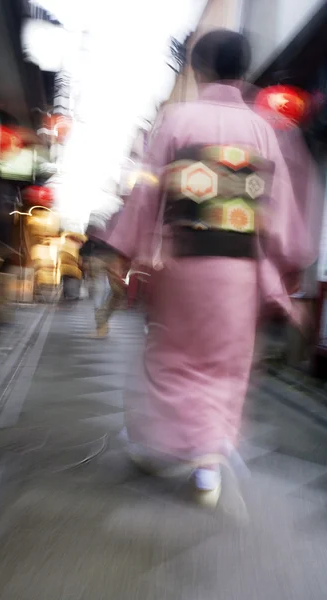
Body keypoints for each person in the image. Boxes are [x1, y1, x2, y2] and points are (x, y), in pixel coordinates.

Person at [105, 29, 318, 507]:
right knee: (225, 363)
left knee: (171, 356)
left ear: (200, 69)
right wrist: (286, 263)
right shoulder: (264, 128)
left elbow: (148, 192)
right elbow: (278, 206)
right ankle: (207, 466)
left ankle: (157, 443)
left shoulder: (178, 119)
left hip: (182, 257)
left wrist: (126, 247)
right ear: (241, 72)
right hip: (238, 267)